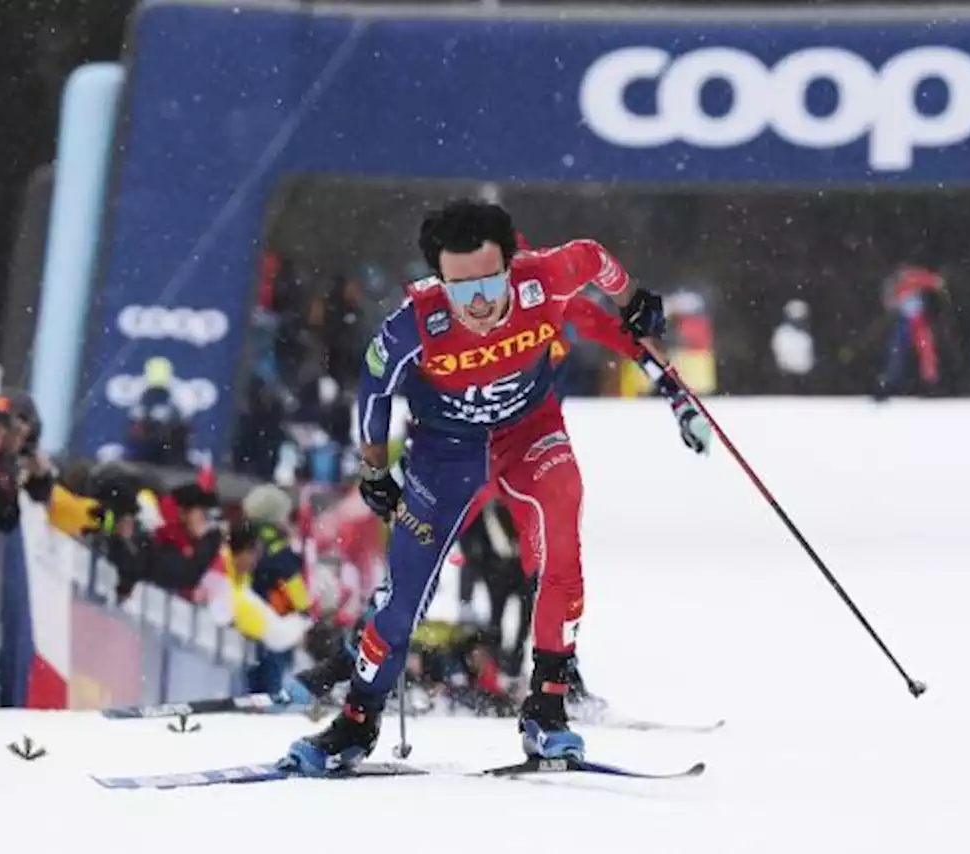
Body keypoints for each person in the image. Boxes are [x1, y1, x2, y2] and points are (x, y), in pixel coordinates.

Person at [281, 199, 693, 775]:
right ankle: (356, 717)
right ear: (437, 278)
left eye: (489, 280)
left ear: (512, 264)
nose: (476, 301)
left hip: (529, 432)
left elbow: (597, 262)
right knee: (404, 598)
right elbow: (373, 389)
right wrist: (374, 469)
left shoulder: (545, 279)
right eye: (458, 286)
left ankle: (547, 710)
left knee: (561, 530)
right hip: (446, 451)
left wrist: (634, 302)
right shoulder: (414, 320)